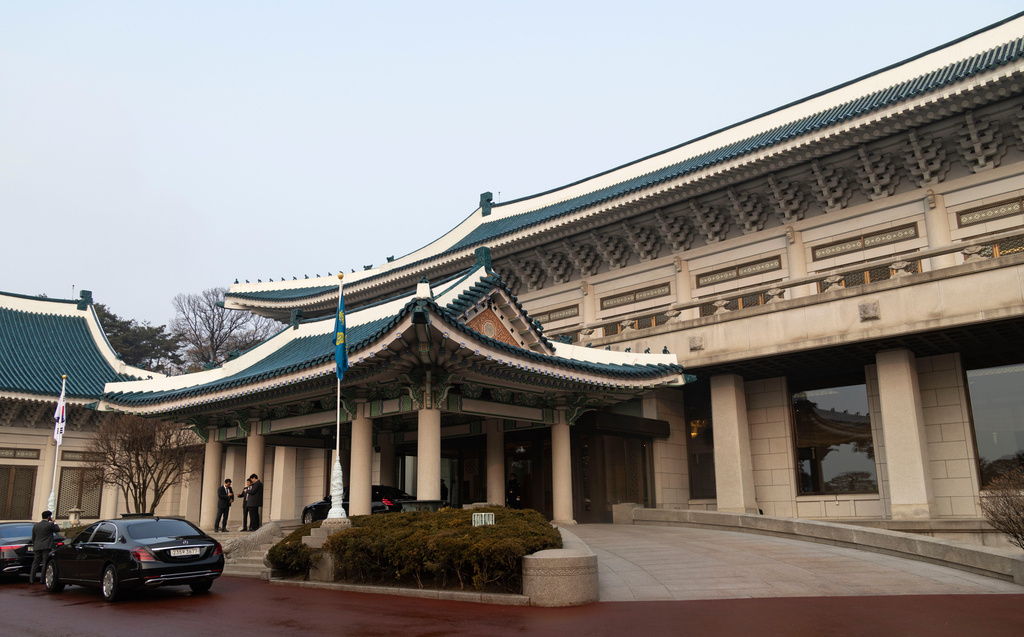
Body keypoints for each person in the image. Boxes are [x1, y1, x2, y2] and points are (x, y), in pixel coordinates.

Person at [29, 510, 60, 585]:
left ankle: (31, 580)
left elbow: (33, 537)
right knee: (45, 563)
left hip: (37, 546)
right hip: (47, 546)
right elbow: (58, 530)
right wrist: (54, 522)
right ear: (49, 517)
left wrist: (35, 544)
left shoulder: (36, 525)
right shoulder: (50, 525)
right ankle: (42, 580)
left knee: (35, 563)